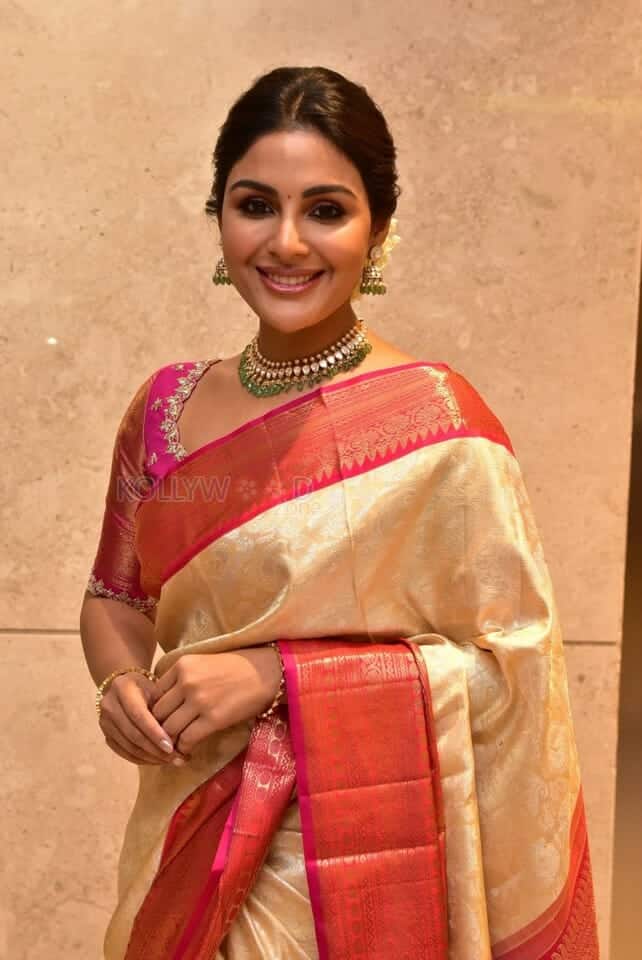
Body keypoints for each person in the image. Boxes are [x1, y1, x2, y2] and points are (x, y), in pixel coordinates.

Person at [79, 66, 600, 960]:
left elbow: (511, 675)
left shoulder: (441, 425)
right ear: (218, 218)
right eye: (255, 205)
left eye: (325, 210)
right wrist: (119, 685)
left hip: (362, 873)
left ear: (379, 230)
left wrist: (277, 675)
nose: (286, 243)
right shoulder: (164, 406)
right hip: (186, 839)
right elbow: (115, 596)